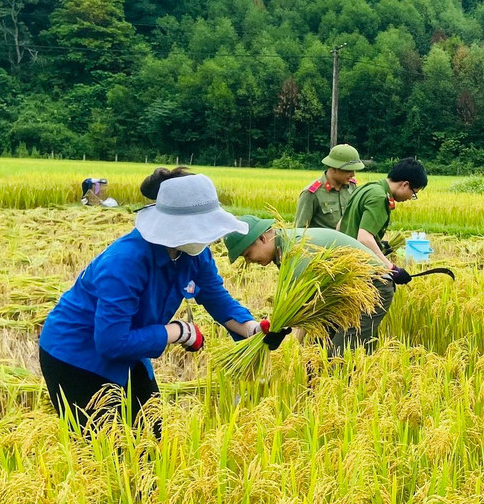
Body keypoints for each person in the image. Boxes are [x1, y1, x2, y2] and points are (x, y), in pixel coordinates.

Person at [38, 172, 260, 435]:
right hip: (77, 357)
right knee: (107, 454)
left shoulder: (194, 252)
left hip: (131, 349)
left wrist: (251, 328)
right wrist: (178, 332)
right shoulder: (125, 262)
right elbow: (111, 342)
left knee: (153, 438)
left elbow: (215, 296)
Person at [224, 215, 390, 355]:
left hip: (373, 287)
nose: (249, 261)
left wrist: (281, 332)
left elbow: (305, 304)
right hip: (341, 294)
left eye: (247, 254)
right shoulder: (282, 249)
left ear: (262, 238)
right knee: (318, 352)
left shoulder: (296, 251)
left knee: (341, 355)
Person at [340, 157, 429, 325]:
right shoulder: (379, 197)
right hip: (354, 264)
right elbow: (364, 237)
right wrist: (391, 268)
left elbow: (342, 224)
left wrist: (380, 246)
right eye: (414, 192)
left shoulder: (366, 188)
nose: (411, 197)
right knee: (384, 290)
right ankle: (350, 346)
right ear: (404, 184)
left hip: (343, 259)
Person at [295, 144, 367, 231]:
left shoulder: (352, 187)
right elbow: (299, 231)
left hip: (348, 242)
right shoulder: (311, 194)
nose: (353, 174)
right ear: (333, 169)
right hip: (323, 243)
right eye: (348, 171)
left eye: (354, 170)